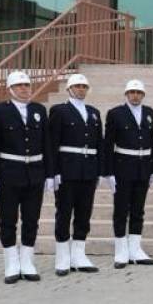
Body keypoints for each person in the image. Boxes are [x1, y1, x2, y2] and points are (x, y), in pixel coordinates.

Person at [0, 71, 51, 284]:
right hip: (9, 172)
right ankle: (11, 263)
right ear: (10, 89)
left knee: (31, 218)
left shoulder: (39, 110)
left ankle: (27, 261)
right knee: (8, 219)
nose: (25, 88)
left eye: (27, 85)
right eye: (20, 85)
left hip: (35, 172)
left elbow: (46, 144)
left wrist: (49, 174)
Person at [47, 73, 102, 276]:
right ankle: (62, 257)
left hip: (88, 170)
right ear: (69, 89)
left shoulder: (94, 113)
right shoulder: (59, 111)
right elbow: (52, 143)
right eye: (77, 86)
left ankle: (79, 254)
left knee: (84, 213)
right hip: (67, 170)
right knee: (64, 212)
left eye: (84, 86)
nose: (81, 89)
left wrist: (99, 171)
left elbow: (99, 143)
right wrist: (53, 172)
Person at [103, 79, 153, 268]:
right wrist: (108, 172)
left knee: (138, 209)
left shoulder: (149, 113)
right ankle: (121, 250)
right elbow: (108, 144)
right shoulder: (115, 114)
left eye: (139, 92)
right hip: (122, 167)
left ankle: (135, 249)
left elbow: (152, 141)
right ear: (126, 94)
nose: (135, 95)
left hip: (143, 167)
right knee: (121, 210)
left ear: (143, 95)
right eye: (132, 92)